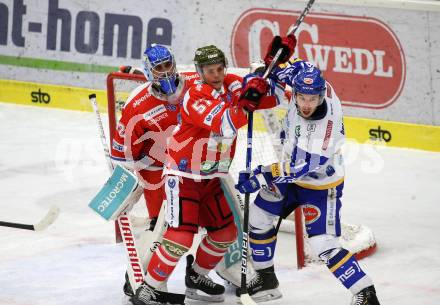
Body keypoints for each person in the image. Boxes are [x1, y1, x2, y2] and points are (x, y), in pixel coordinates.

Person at [235, 36, 381, 304]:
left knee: (323, 245)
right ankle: (266, 279)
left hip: (319, 186)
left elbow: (295, 169)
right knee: (258, 217)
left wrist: (260, 175)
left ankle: (365, 293)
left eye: (311, 99)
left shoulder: (322, 134)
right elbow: (289, 71)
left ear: (322, 94)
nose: (305, 103)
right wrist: (272, 65)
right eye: (301, 96)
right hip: (289, 173)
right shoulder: (308, 77)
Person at [131, 45, 278, 305]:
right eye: (210, 70)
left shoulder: (232, 84)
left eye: (220, 68)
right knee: (180, 237)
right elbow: (224, 122)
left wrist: (269, 76)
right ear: (199, 72)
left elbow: (271, 98)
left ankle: (197, 275)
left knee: (225, 234)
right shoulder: (195, 95)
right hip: (184, 175)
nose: (216, 74)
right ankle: (149, 288)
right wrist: (247, 104)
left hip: (212, 176)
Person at [109, 44, 199, 297]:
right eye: (158, 68)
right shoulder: (137, 105)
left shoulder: (194, 83)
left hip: (195, 168)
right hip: (157, 173)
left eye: (168, 65)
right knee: (163, 228)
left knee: (210, 222)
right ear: (149, 71)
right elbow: (121, 154)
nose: (165, 72)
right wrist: (126, 186)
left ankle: (199, 275)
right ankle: (139, 278)